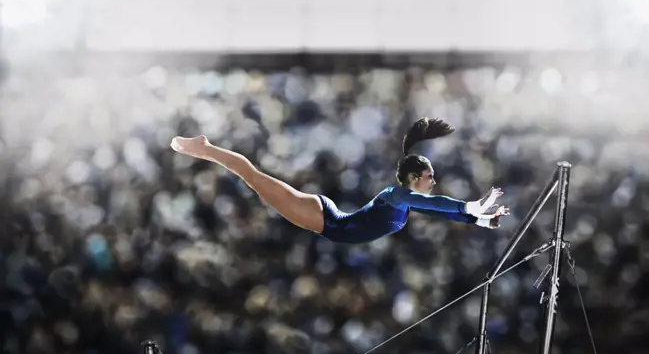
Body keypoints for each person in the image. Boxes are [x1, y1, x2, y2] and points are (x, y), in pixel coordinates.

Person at [170, 117, 510, 244]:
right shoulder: (396, 195)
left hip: (330, 220)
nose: (434, 182)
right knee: (255, 179)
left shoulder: (405, 201)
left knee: (257, 181)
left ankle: (207, 149)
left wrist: (479, 218)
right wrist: (470, 206)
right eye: (430, 176)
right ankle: (206, 148)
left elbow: (437, 210)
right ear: (412, 177)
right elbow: (437, 204)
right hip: (327, 221)